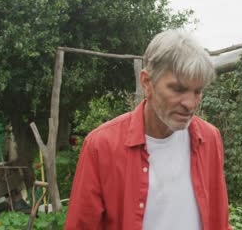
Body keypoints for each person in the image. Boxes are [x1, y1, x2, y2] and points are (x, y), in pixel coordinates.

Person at [65, 30, 232, 230]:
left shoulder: (209, 138)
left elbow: (219, 219)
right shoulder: (101, 146)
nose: (190, 103)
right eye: (178, 89)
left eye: (197, 91)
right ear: (147, 82)